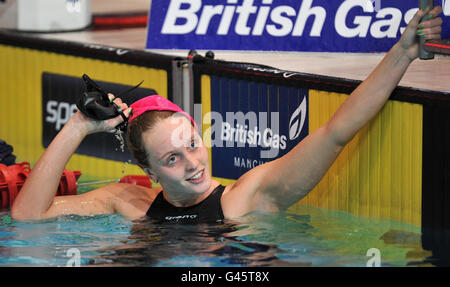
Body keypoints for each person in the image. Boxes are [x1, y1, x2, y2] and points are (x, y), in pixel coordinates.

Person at [11, 7, 443, 222]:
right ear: (147, 168)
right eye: (172, 159)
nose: (194, 164)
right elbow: (28, 218)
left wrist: (403, 52)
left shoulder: (245, 198)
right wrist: (78, 126)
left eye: (192, 145)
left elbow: (335, 132)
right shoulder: (129, 202)